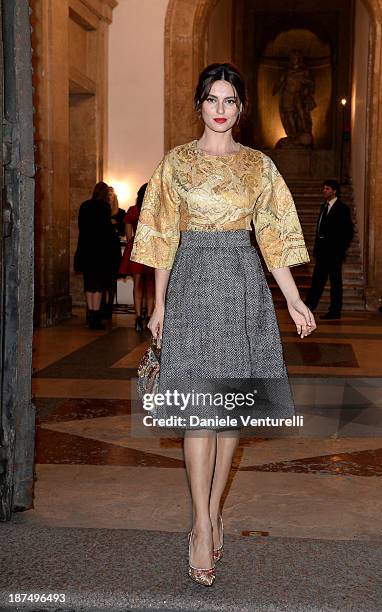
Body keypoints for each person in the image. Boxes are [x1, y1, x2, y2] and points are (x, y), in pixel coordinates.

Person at [130, 63, 316, 586]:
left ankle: (213, 509)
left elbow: (275, 237)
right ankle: (201, 522)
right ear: (199, 104)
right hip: (190, 286)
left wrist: (295, 300)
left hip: (241, 287)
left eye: (230, 100)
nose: (220, 108)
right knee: (198, 411)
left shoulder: (259, 167)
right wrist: (159, 304)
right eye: (212, 98)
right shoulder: (175, 164)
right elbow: (162, 236)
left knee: (228, 411)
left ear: (240, 109)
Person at [305, 180, 353, 320]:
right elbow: (320, 230)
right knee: (317, 281)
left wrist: (340, 250)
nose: (324, 191)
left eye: (327, 188)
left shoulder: (343, 208)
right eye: (323, 188)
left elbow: (348, 232)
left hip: (334, 254)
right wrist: (316, 249)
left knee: (335, 283)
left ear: (334, 191)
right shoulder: (323, 207)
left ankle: (335, 311)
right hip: (322, 253)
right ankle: (309, 307)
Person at [74, 181, 119, 330]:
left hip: (86, 249)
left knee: (89, 283)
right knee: (99, 284)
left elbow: (81, 227)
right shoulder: (104, 207)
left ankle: (90, 315)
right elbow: (105, 230)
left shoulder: (84, 205)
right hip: (99, 251)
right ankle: (96, 316)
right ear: (105, 194)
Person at [119, 184, 155, 331]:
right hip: (152, 249)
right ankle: (150, 317)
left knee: (137, 285)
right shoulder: (155, 210)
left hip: (136, 249)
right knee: (151, 285)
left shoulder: (133, 210)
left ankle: (138, 317)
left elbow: (128, 236)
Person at [100, 186, 125, 319]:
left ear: (114, 197)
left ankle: (109, 307)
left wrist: (115, 225)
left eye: (111, 195)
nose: (109, 197)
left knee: (112, 280)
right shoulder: (101, 211)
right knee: (102, 279)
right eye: (107, 194)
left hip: (113, 250)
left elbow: (122, 231)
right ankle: (102, 306)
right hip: (102, 249)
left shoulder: (121, 213)